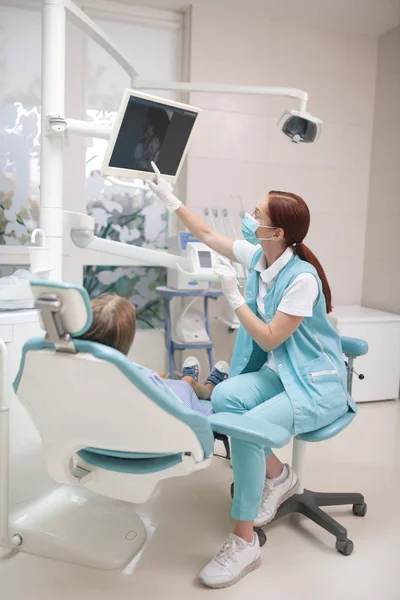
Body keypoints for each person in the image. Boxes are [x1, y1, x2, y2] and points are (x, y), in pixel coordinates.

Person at [148, 163, 356, 589]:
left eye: (258, 214)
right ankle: (279, 476)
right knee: (225, 400)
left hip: (315, 384)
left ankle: (244, 543)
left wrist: (234, 298)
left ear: (277, 232)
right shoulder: (261, 256)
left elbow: (267, 335)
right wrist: (171, 201)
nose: (251, 219)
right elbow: (207, 235)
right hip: (282, 373)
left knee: (243, 428)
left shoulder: (302, 279)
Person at [78, 293, 229, 417]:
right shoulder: (142, 381)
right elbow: (197, 424)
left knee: (162, 377)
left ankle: (193, 383)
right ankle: (206, 388)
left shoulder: (76, 376)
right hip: (150, 443)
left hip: (93, 450)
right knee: (182, 385)